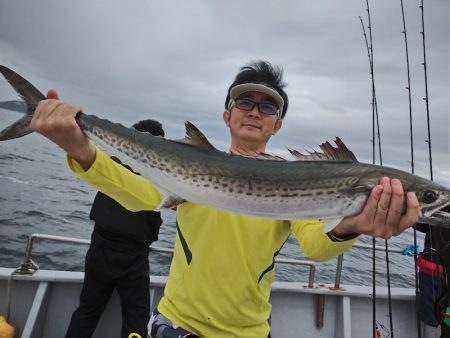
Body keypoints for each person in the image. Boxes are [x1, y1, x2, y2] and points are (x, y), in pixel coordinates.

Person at [31, 61, 419, 338]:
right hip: (175, 325)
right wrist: (83, 152)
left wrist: (351, 224)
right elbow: (139, 195)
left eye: (267, 106)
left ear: (277, 123)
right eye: (244, 103)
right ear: (227, 115)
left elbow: (316, 246)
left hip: (248, 332)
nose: (255, 111)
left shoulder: (299, 180)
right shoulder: (190, 171)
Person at [65, 120, 165, 338]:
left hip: (100, 249)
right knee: (136, 317)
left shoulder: (111, 164)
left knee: (87, 311)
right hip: (133, 258)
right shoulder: (158, 175)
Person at [416, 205, 450, 338]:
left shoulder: (440, 203)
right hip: (434, 268)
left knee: (431, 317)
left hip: (432, 271)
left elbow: (417, 223)